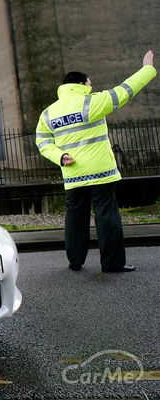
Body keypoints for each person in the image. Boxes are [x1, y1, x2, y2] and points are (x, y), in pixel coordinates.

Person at [35, 50, 155, 273]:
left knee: (75, 218)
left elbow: (42, 142)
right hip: (100, 172)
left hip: (73, 174)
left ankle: (75, 260)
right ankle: (112, 263)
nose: (91, 85)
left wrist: (59, 157)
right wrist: (147, 69)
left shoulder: (48, 114)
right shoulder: (93, 102)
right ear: (81, 84)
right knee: (106, 216)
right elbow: (126, 90)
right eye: (89, 82)